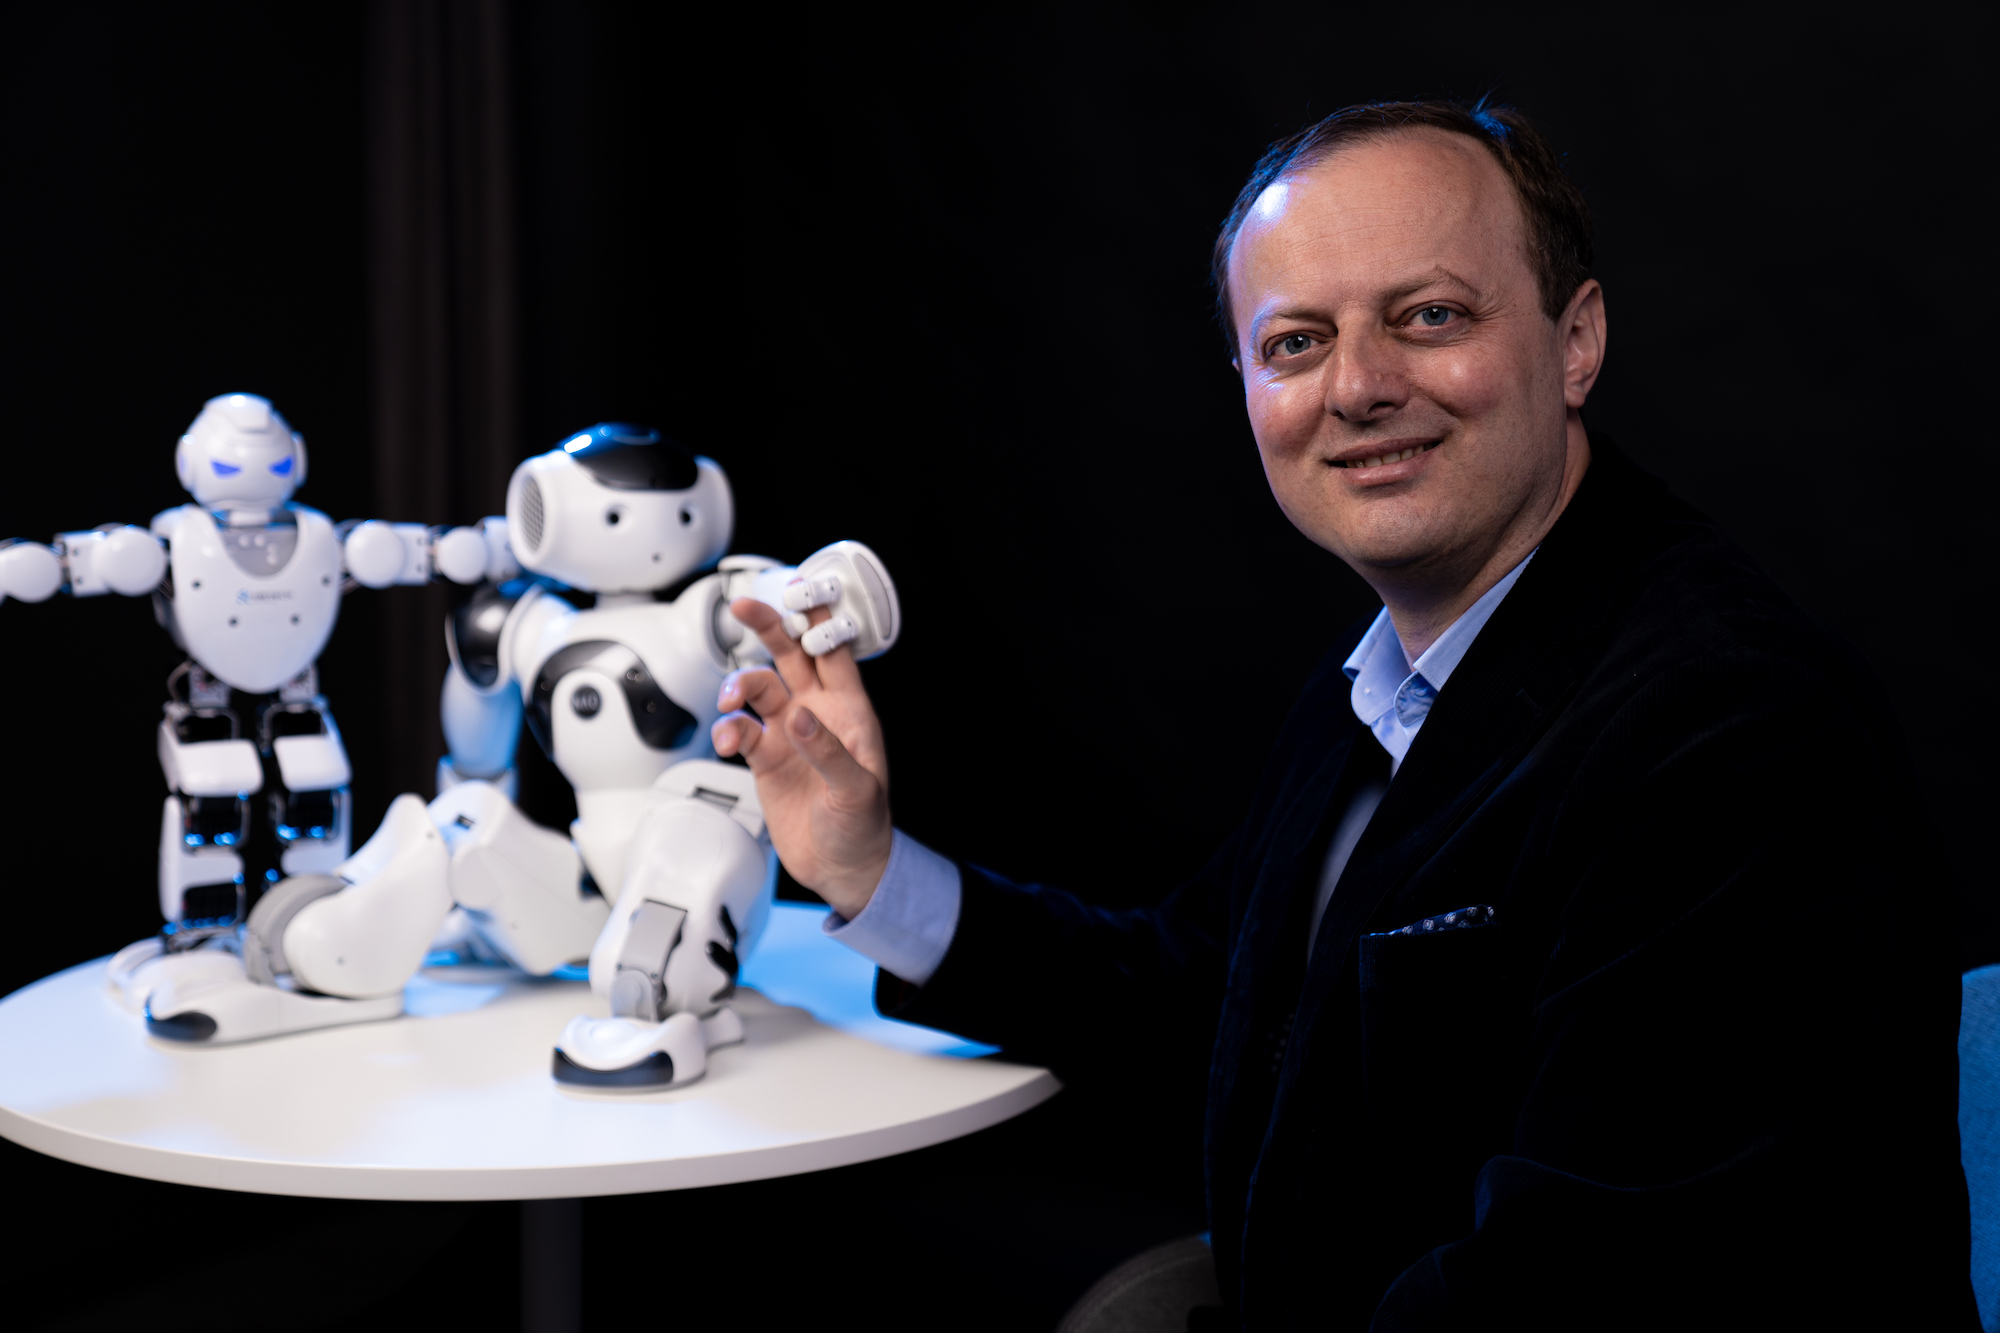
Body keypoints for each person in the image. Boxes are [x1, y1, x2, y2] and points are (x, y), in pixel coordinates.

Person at [711, 101, 1975, 1329]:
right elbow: (1206, 1006)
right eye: (1294, 343)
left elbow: (1593, 1282)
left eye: (1429, 317)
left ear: (1575, 341)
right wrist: (868, 866)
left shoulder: (1728, 727)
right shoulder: (1389, 674)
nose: (1357, 386)